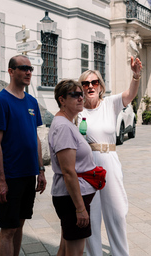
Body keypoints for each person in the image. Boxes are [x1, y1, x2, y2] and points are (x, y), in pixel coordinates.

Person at [77, 56, 142, 256]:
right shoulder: (77, 111)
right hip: (86, 167)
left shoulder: (110, 104)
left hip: (109, 163)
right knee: (92, 216)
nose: (90, 86)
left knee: (117, 213)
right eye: (86, 83)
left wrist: (136, 75)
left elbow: (130, 95)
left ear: (100, 86)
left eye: (94, 82)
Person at [0, 55, 47, 256]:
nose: (29, 72)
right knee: (8, 228)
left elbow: (35, 138)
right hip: (10, 176)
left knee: (20, 224)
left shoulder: (31, 101)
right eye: (23, 68)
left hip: (29, 174)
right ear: (11, 71)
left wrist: (41, 170)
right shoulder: (0, 101)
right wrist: (0, 181)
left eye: (30, 68)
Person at [48, 79, 97, 256]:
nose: (80, 98)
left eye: (81, 95)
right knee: (75, 252)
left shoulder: (67, 123)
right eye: (75, 95)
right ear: (62, 100)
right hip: (72, 199)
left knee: (65, 248)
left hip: (72, 197)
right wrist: (80, 209)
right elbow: (68, 171)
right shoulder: (63, 127)